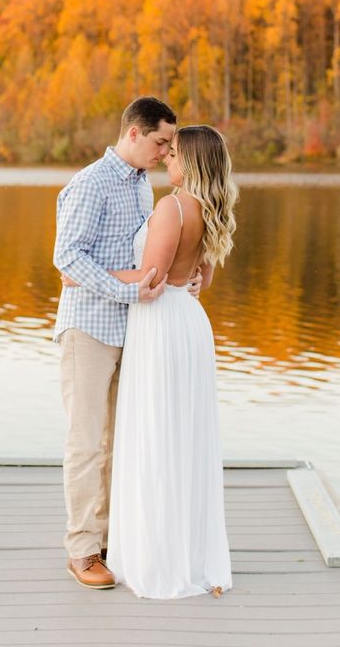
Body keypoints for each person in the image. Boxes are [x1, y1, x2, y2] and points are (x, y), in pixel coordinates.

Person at [53, 97, 204, 590]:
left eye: (170, 145)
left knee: (120, 441)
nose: (166, 152)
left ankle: (113, 539)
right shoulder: (90, 184)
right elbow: (67, 260)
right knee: (86, 443)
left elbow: (149, 256)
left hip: (135, 329)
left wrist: (181, 283)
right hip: (90, 329)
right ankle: (82, 549)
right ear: (135, 134)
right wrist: (128, 289)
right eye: (161, 141)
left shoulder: (143, 187)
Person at [104, 124, 238, 599]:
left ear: (193, 163)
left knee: (156, 434)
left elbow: (151, 278)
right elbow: (199, 278)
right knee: (182, 436)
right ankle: (185, 551)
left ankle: (156, 559)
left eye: (175, 153)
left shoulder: (173, 207)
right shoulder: (210, 209)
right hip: (189, 323)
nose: (166, 159)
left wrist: (86, 274)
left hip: (160, 323)